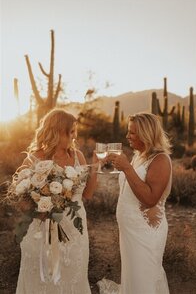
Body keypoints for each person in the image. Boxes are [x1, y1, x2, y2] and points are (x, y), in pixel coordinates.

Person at [15, 108, 97, 294]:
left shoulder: (78, 156)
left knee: (72, 274)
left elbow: (88, 194)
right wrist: (41, 209)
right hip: (41, 228)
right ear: (57, 131)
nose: (75, 136)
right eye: (71, 131)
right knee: (43, 277)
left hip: (74, 230)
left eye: (76, 131)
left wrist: (95, 168)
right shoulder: (34, 159)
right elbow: (22, 200)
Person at [98, 112, 172, 294]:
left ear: (146, 134)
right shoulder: (139, 155)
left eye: (132, 133)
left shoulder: (161, 160)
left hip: (145, 232)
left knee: (144, 279)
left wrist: (127, 168)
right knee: (134, 277)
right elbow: (131, 185)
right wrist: (121, 166)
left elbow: (150, 199)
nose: (127, 136)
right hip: (129, 231)